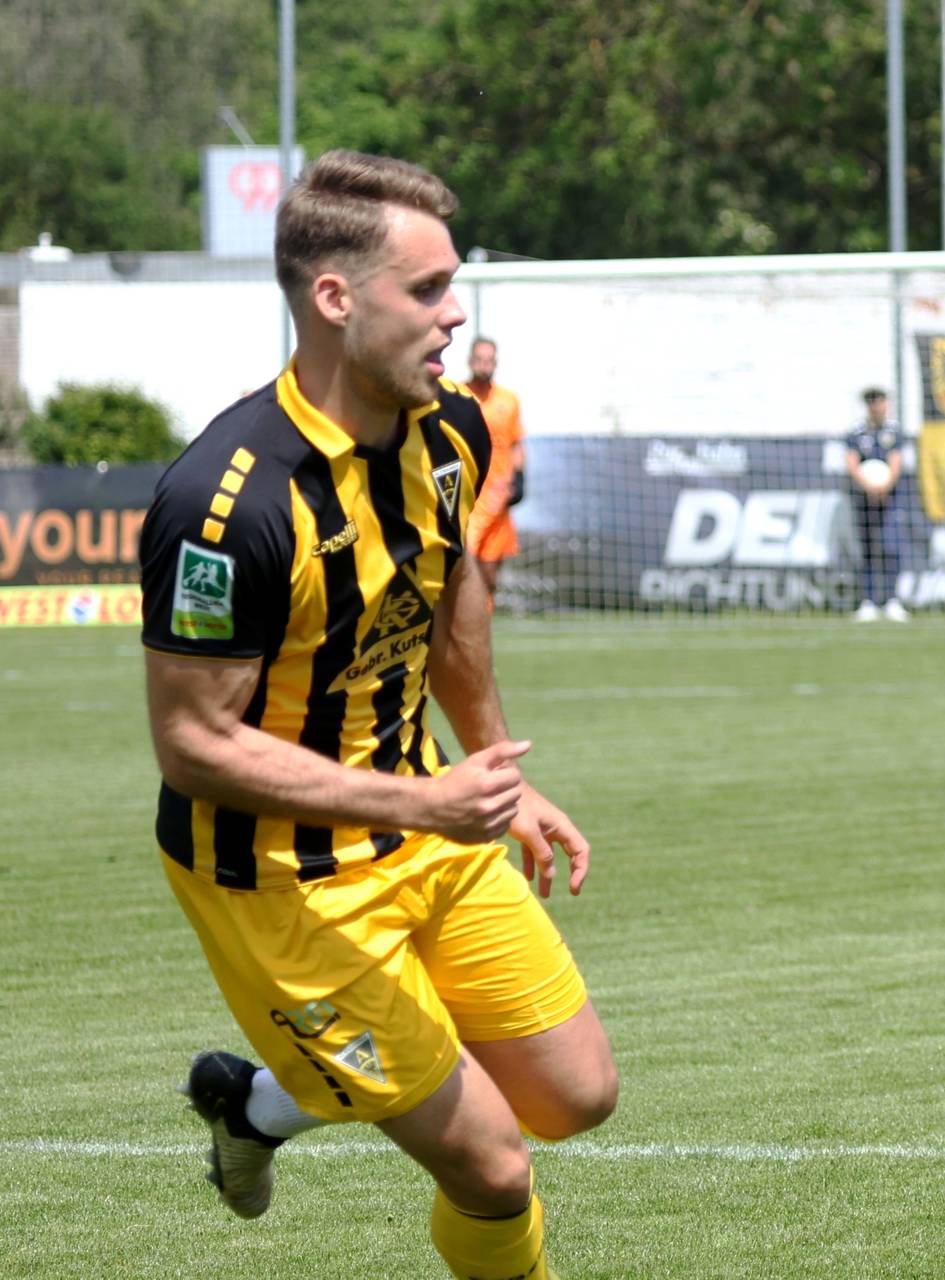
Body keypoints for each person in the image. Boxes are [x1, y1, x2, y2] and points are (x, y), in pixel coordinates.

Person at [140, 150, 615, 1278]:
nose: (457, 316)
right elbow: (193, 742)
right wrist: (428, 802)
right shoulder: (226, 504)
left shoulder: (451, 430)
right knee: (494, 1165)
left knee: (577, 1095)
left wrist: (496, 770)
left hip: (422, 823)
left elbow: (454, 598)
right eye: (430, 288)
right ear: (335, 298)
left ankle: (257, 1105)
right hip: (278, 882)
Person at [462, 336, 525, 596]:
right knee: (463, 565)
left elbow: (516, 443)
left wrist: (520, 479)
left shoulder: (508, 400)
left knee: (489, 573)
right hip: (466, 496)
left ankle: (484, 615)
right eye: (479, 359)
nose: (484, 365)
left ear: (496, 363)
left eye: (489, 360)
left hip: (498, 496)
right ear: (470, 361)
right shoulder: (457, 396)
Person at [845, 388, 911, 621]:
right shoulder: (857, 433)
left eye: (880, 401)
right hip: (864, 500)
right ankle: (869, 601)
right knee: (868, 550)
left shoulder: (893, 433)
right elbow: (852, 464)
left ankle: (892, 600)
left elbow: (895, 463)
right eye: (872, 402)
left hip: (889, 501)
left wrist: (884, 487)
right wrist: (869, 487)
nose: (876, 406)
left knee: (891, 548)